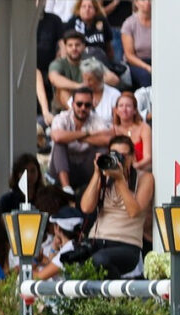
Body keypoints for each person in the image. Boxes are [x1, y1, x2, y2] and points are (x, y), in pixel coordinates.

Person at [74, 135, 153, 279]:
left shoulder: (144, 178)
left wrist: (119, 180)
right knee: (72, 264)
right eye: (114, 155)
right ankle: (110, 298)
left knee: (98, 261)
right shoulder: (105, 177)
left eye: (123, 156)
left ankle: (118, 299)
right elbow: (86, 207)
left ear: (132, 157)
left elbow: (134, 211)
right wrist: (97, 174)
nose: (119, 159)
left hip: (126, 246)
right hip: (96, 241)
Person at [48, 88, 109, 193]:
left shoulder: (97, 119)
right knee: (59, 145)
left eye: (87, 105)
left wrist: (76, 138)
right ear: (72, 104)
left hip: (86, 167)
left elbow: (107, 140)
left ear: (92, 105)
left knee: (103, 149)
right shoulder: (62, 118)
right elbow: (57, 137)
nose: (83, 108)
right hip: (61, 169)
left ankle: (100, 186)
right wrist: (88, 133)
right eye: (79, 104)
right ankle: (66, 189)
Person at [120, 0, 153, 90]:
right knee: (146, 77)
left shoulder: (160, 20)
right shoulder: (129, 23)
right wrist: (147, 67)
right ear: (136, 2)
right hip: (136, 63)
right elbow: (129, 55)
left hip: (156, 61)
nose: (147, 2)